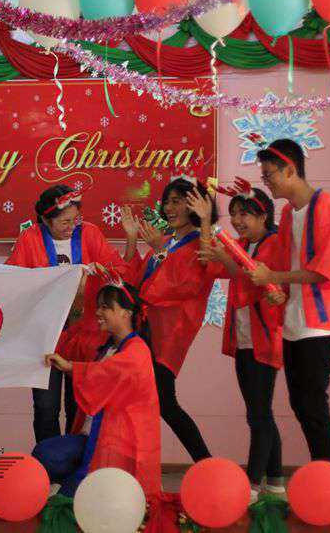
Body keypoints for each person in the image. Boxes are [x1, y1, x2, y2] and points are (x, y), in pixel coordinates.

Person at [249, 138, 330, 462]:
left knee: (312, 404)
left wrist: (274, 277)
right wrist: (278, 289)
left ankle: (327, 474)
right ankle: (322, 472)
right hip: (294, 319)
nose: (266, 181)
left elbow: (325, 271)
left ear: (290, 170)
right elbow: (285, 263)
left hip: (317, 322)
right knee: (300, 403)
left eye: (269, 174)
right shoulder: (288, 212)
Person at [6, 185, 132, 443]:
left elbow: (120, 272)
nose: (72, 226)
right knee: (46, 408)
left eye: (76, 219)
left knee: (80, 407)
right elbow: (13, 281)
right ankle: (48, 462)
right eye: (65, 222)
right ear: (45, 220)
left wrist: (101, 270)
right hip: (46, 337)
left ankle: (74, 463)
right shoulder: (30, 238)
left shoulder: (90, 233)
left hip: (85, 335)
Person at [197, 187, 286, 501]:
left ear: (263, 215)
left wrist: (227, 256)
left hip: (266, 340)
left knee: (259, 415)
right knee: (259, 413)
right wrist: (205, 222)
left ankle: (251, 484)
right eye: (233, 214)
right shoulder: (243, 244)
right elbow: (211, 264)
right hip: (245, 341)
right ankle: (275, 481)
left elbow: (253, 279)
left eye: (244, 214)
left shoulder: (274, 243)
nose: (237, 220)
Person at [120, 178, 217, 462]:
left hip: (169, 332)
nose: (169, 208)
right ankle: (135, 464)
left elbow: (185, 284)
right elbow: (134, 280)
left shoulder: (198, 243)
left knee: (165, 401)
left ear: (194, 206)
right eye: (167, 202)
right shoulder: (166, 241)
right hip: (146, 330)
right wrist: (131, 238)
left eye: (177, 201)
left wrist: (160, 250)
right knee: (148, 401)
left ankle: (206, 463)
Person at [35, 283, 161, 499]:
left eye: (105, 307)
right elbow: (73, 343)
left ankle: (72, 487)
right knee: (44, 454)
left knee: (66, 501)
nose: (98, 312)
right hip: (93, 436)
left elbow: (107, 372)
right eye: (98, 306)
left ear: (126, 313)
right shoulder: (108, 346)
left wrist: (70, 367)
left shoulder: (137, 351)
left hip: (116, 444)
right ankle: (67, 485)